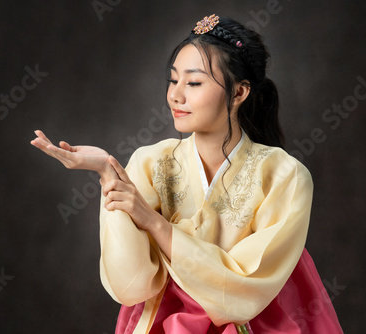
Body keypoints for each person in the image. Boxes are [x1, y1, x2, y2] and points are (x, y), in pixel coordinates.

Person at [31, 14, 343, 334]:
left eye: (193, 82)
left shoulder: (284, 176)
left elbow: (242, 292)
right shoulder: (149, 163)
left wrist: (153, 222)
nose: (176, 95)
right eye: (173, 79)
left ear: (239, 93)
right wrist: (108, 174)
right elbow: (133, 285)